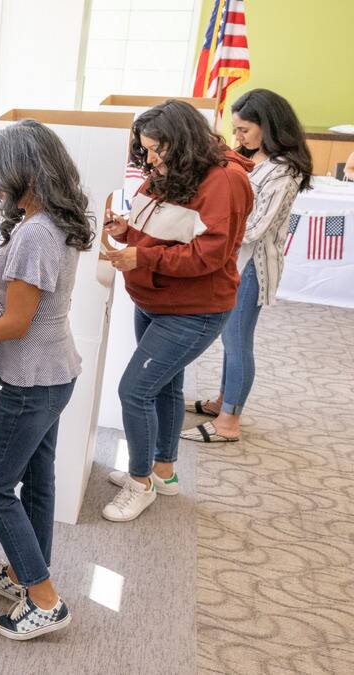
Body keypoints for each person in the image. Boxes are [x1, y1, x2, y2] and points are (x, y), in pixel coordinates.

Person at [0, 120, 93, 640]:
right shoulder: (51, 219)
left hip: (33, 380)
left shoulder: (35, 232)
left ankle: (44, 597)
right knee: (36, 479)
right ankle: (21, 574)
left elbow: (16, 324)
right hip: (54, 372)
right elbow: (21, 305)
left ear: (21, 171)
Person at [101, 100, 254, 522]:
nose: (149, 159)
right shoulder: (171, 170)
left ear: (181, 142)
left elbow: (208, 255)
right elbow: (163, 228)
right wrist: (126, 231)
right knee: (165, 388)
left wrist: (142, 260)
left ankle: (140, 482)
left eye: (156, 150)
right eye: (145, 150)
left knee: (134, 391)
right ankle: (163, 471)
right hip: (156, 300)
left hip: (193, 309)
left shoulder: (225, 180)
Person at [181, 89, 313, 443]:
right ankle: (224, 401)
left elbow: (255, 227)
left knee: (238, 341)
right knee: (229, 338)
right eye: (236, 130)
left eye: (244, 130)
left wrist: (208, 228)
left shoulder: (284, 172)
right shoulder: (256, 161)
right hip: (235, 261)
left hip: (252, 266)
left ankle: (229, 422)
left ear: (267, 126)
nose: (238, 137)